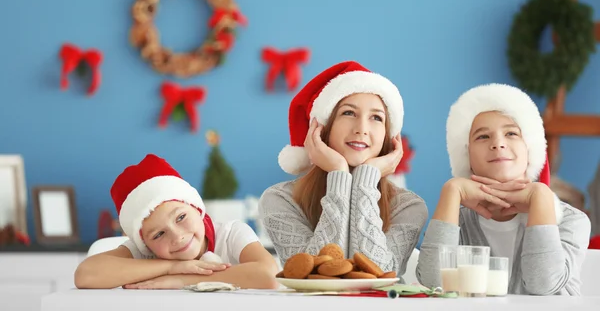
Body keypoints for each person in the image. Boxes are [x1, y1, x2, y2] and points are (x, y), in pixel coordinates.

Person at [416, 83, 591, 295]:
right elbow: (433, 282)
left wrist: (541, 196)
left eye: (511, 134)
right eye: (482, 136)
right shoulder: (457, 221)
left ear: (530, 148)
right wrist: (451, 191)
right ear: (466, 156)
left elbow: (543, 285)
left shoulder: (572, 221)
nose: (498, 143)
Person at [258, 60, 428, 279]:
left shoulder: (408, 207)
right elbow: (316, 274)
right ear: (322, 128)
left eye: (376, 118)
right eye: (349, 113)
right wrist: (338, 174)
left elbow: (378, 275)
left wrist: (364, 182)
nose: (362, 129)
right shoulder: (280, 200)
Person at [74, 154, 278, 290]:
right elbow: (86, 275)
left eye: (181, 217)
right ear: (144, 243)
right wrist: (171, 267)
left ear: (197, 208)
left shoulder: (231, 234)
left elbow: (270, 275)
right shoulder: (145, 253)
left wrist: (182, 280)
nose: (177, 236)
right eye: (158, 234)